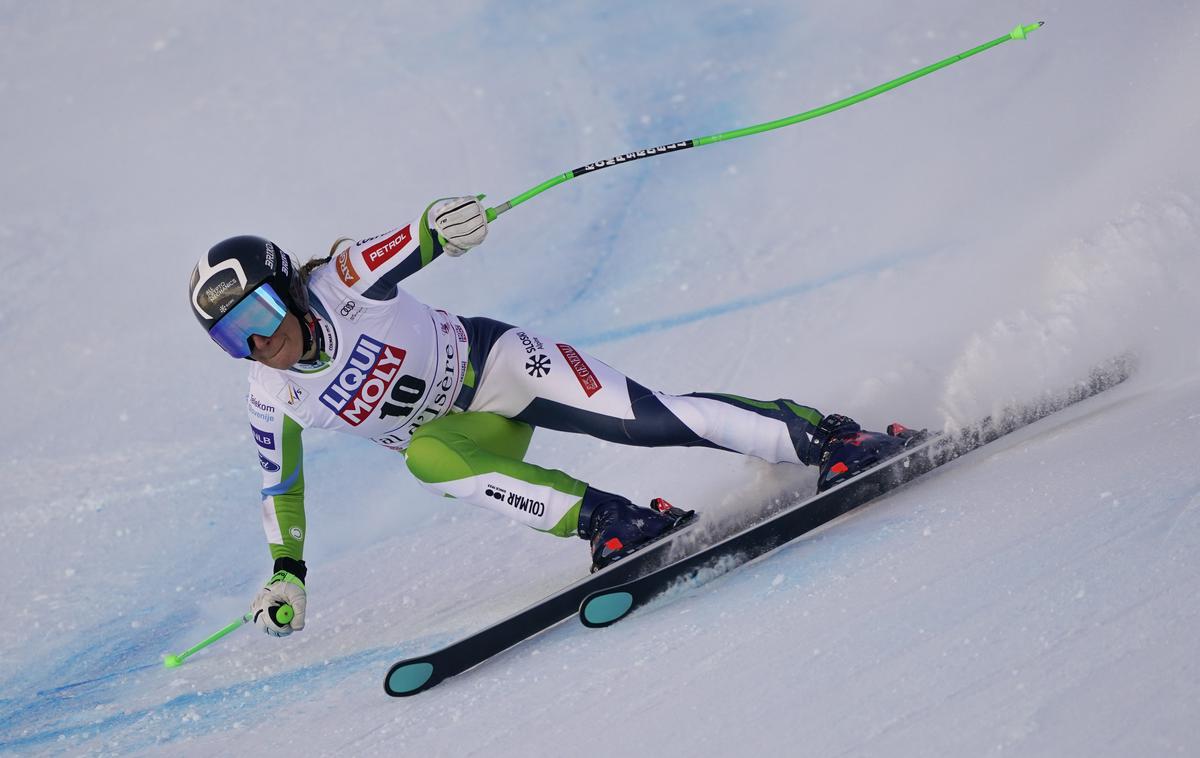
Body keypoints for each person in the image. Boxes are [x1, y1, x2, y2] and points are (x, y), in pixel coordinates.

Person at [188, 196, 921, 637]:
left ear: (285, 284)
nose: (259, 343)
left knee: (645, 420)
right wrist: (288, 571)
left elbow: (410, 241)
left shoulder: (339, 280)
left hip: (499, 367)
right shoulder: (271, 390)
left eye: (256, 314)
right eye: (233, 338)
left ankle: (831, 439)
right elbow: (278, 484)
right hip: (464, 435)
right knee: (429, 461)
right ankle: (614, 522)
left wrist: (443, 224)